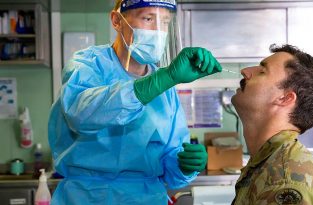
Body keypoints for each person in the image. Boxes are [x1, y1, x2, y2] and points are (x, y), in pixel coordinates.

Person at [48, 0, 221, 204]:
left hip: (147, 198)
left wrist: (184, 164)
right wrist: (161, 80)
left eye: (165, 22)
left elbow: (170, 159)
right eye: (148, 18)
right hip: (86, 196)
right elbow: (81, 113)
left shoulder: (165, 89)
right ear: (117, 20)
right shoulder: (89, 65)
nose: (158, 31)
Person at [231, 44, 313, 205]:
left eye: (262, 71)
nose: (246, 71)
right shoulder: (269, 163)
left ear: (285, 98)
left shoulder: (285, 182)